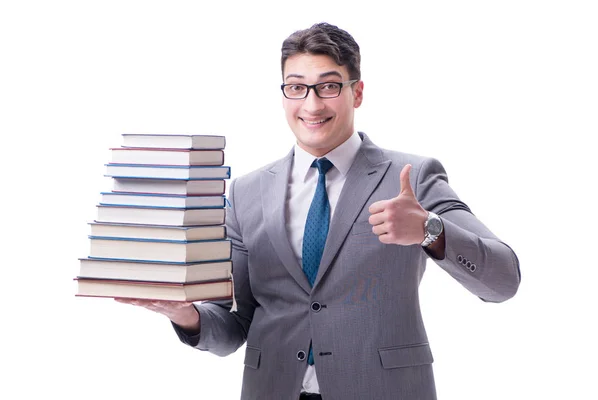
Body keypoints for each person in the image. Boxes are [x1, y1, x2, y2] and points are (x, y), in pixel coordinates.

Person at [116, 22, 521, 400]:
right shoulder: (245, 193)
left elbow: (503, 280)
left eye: (328, 86)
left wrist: (430, 230)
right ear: (283, 94)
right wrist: (186, 315)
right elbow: (235, 329)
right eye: (297, 88)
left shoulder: (411, 177)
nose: (311, 104)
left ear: (356, 92)